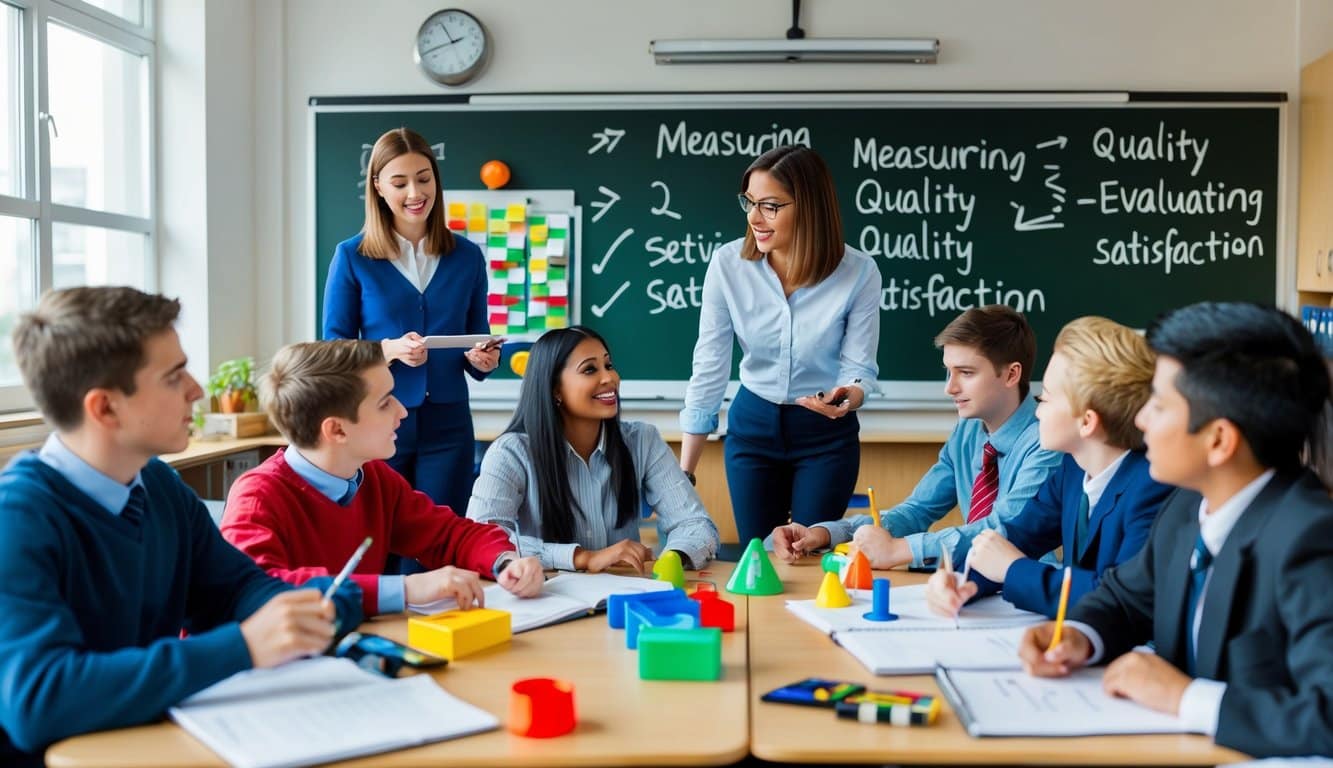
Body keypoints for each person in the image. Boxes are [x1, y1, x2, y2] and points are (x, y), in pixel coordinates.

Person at [0, 287, 362, 766]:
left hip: (148, 744)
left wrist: (308, 607)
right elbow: (39, 701)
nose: (197, 389)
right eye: (174, 377)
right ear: (105, 408)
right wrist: (247, 645)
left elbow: (233, 590)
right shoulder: (18, 519)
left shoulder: (157, 484)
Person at [1020, 302, 1333, 758]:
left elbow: (1325, 716)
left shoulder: (1309, 540)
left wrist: (1185, 697)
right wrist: (1078, 636)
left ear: (1219, 440)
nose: (1141, 419)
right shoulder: (1187, 505)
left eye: (1159, 405)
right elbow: (1125, 599)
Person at [222, 340, 544, 617]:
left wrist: (503, 563)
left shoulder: (371, 477)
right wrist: (403, 589)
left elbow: (448, 534)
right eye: (385, 401)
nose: (402, 411)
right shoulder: (257, 496)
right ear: (337, 429)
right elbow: (258, 591)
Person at [678, 144, 882, 544]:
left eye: (770, 206)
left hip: (824, 434)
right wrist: (685, 471)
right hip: (752, 426)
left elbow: (860, 367)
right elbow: (710, 364)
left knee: (808, 553)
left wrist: (847, 397)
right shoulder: (727, 264)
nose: (754, 218)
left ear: (808, 206)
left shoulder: (859, 272)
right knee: (760, 557)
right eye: (749, 202)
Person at [771, 305, 1061, 569]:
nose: (950, 388)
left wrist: (900, 550)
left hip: (1027, 586)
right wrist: (824, 534)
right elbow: (917, 510)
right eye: (948, 372)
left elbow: (1003, 531)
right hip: (973, 584)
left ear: (1011, 375)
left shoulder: (1046, 440)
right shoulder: (969, 430)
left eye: (966, 373)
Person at [925, 316, 1171, 618]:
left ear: (1087, 422)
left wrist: (1013, 569)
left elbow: (1117, 598)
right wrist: (961, 580)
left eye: (1045, 399)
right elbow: (1017, 537)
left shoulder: (1153, 486)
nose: (1037, 412)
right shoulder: (1073, 469)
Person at [324, 126, 499, 512]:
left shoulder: (467, 256)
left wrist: (483, 359)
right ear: (378, 187)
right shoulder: (352, 257)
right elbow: (335, 349)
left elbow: (476, 338)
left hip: (448, 424)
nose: (415, 194)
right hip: (377, 418)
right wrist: (389, 350)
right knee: (382, 535)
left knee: (440, 537)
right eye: (400, 183)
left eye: (424, 179)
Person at [468, 326, 719, 573]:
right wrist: (581, 558)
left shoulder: (643, 440)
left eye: (608, 366)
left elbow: (696, 525)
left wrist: (674, 557)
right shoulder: (510, 453)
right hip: (542, 596)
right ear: (555, 389)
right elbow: (481, 539)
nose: (609, 378)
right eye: (590, 369)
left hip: (624, 594)